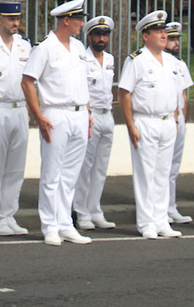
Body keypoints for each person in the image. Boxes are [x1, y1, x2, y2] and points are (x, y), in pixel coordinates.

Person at [21, 0, 93, 246]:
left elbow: (83, 83)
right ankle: (50, 225)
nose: (82, 24)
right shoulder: (44, 48)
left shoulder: (79, 48)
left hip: (79, 113)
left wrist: (88, 113)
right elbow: (27, 81)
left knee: (71, 174)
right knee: (52, 173)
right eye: (79, 19)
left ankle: (65, 223)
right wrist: (38, 115)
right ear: (66, 20)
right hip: (56, 114)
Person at [119, 11, 184, 239]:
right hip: (145, 121)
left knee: (162, 173)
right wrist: (130, 125)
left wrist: (174, 119)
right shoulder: (137, 60)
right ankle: (146, 223)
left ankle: (161, 220)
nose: (164, 35)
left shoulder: (172, 61)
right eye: (158, 31)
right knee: (146, 174)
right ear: (145, 36)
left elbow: (176, 94)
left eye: (165, 31)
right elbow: (124, 93)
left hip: (167, 122)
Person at [0, 0, 31, 237]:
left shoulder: (25, 46)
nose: (15, 23)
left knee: (16, 167)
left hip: (20, 108)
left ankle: (9, 214)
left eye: (18, 19)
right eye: (11, 19)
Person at [74, 15, 117, 231]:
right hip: (90, 115)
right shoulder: (83, 59)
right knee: (86, 166)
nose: (101, 38)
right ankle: (82, 212)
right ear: (89, 36)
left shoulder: (109, 60)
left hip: (107, 115)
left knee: (101, 167)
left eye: (105, 34)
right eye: (98, 35)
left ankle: (95, 209)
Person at [164, 22, 194, 224]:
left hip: (178, 120)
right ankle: (160, 210)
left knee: (173, 167)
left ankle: (171, 207)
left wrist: (182, 118)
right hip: (164, 119)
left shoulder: (180, 64)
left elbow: (183, 94)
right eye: (172, 39)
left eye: (177, 39)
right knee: (161, 167)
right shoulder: (159, 62)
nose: (176, 43)